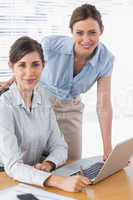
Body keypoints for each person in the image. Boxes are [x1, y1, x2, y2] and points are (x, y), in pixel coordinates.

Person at [0, 4, 114, 160]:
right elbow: (28, 61)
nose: (86, 39)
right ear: (71, 32)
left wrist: (107, 147)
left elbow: (104, 104)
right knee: (31, 157)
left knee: (71, 160)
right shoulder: (51, 45)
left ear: (101, 30)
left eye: (92, 32)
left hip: (70, 109)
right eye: (80, 33)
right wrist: (11, 81)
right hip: (41, 102)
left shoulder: (106, 59)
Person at [0, 36, 90, 192]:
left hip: (33, 177)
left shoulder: (43, 99)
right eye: (22, 65)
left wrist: (48, 164)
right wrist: (57, 181)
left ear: (44, 66)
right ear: (11, 67)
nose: (29, 73)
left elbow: (60, 146)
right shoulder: (4, 105)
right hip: (7, 180)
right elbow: (13, 166)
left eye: (35, 64)